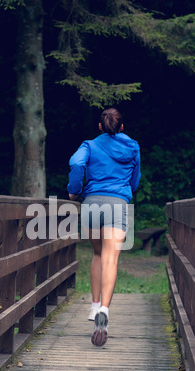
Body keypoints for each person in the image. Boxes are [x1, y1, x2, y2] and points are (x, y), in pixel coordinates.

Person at [67, 107, 141, 347]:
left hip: (91, 204)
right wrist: (124, 191)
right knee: (111, 258)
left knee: (97, 254)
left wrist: (74, 191)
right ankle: (105, 311)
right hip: (117, 203)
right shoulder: (132, 147)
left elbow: (77, 164)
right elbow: (135, 179)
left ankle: (94, 305)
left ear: (100, 126)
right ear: (122, 127)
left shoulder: (89, 145)